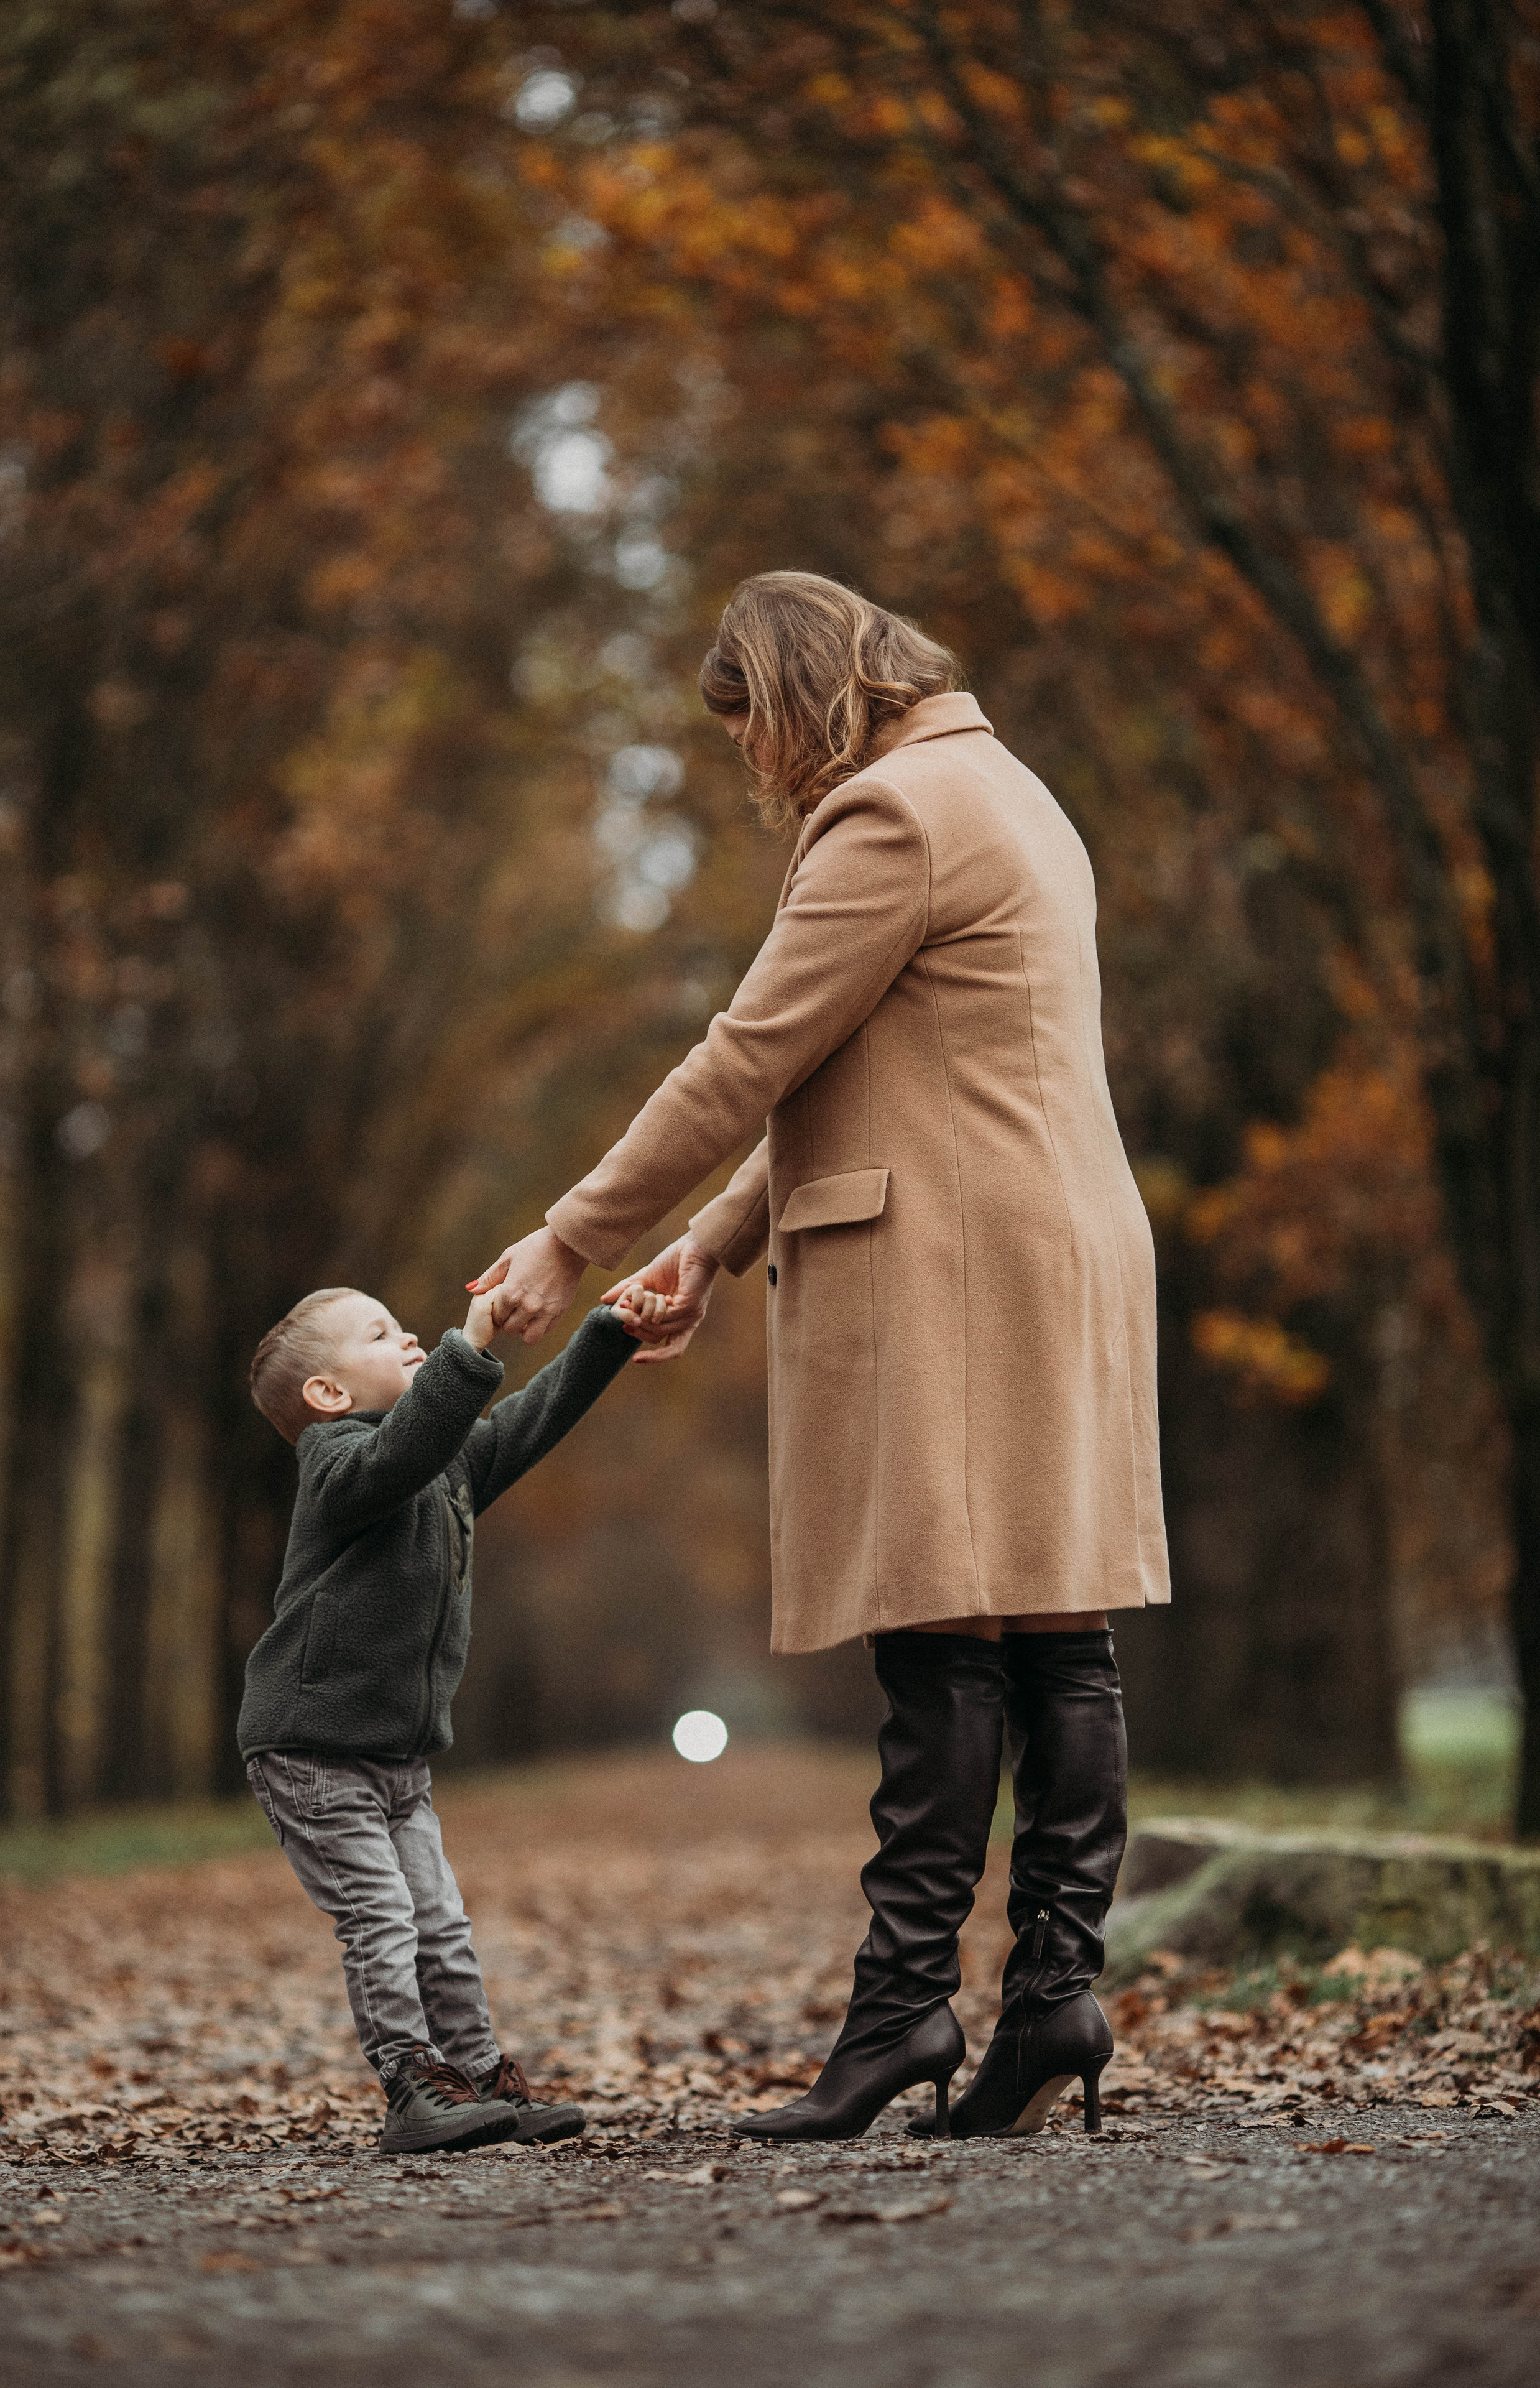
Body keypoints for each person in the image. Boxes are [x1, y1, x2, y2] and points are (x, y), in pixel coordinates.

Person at [473, 570, 1170, 2143]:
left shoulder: (889, 815)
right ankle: (1050, 1995)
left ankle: (901, 2010)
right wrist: (710, 1245)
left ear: (800, 694)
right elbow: (864, 1061)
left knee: (941, 1632)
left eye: (749, 726)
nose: (752, 762)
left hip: (957, 1257)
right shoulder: (1013, 793)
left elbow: (749, 1056)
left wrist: (570, 1237)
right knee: (1053, 1630)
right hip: (1053, 1240)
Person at [239, 1275, 665, 2155]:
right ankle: (411, 2086)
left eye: (405, 1329)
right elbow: (399, 1456)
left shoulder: (446, 1462)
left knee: (440, 1924)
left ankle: (475, 2078)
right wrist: (467, 1349)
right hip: (311, 1750)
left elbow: (528, 1423)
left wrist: (608, 1333)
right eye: (379, 1334)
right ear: (328, 1395)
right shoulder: (337, 1465)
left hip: (397, 1759)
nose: (409, 1338)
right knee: (383, 1917)